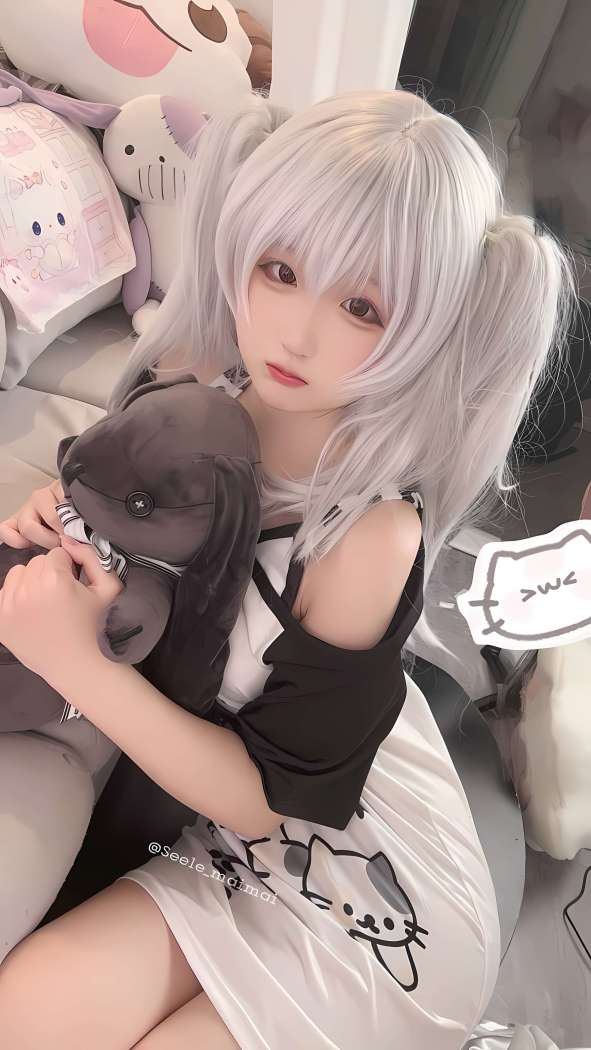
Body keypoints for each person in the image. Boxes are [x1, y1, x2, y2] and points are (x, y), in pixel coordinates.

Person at [0, 86, 578, 1048]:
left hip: (363, 881)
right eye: (279, 269)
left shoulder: (370, 533)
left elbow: (273, 805)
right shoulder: (193, 382)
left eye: (361, 306)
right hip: (208, 833)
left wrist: (75, 664)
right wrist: (59, 521)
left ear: (429, 324)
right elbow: (114, 515)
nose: (295, 333)